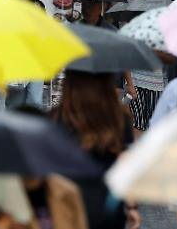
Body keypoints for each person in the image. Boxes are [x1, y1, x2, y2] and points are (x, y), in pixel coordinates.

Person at [52, 70, 140, 229]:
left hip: (67, 203)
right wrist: (132, 206)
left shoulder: (56, 117)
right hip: (107, 205)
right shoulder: (118, 117)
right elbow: (126, 165)